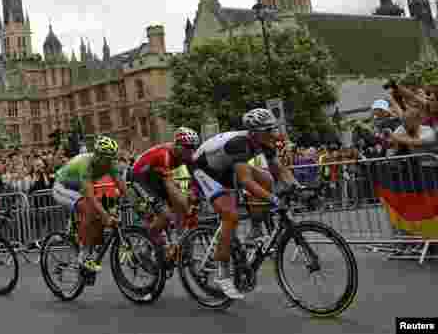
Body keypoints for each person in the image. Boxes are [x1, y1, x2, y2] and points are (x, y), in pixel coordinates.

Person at [189, 108, 298, 301]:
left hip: (225, 166)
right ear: (255, 132)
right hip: (204, 169)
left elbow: (279, 170)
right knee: (230, 216)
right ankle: (223, 274)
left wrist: (297, 186)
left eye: (273, 128)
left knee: (267, 179)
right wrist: (274, 200)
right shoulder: (240, 144)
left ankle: (256, 228)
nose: (273, 133)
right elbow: (246, 181)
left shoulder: (265, 142)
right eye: (268, 130)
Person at [52, 136, 126, 275]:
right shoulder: (85, 163)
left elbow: (121, 185)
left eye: (113, 157)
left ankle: (87, 249)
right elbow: (90, 197)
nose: (111, 161)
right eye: (107, 158)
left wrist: (136, 205)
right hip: (62, 188)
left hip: (78, 188)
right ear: (98, 155)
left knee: (99, 214)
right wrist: (105, 215)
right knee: (89, 207)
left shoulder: (109, 164)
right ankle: (83, 257)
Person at [131, 128, 200, 258]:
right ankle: (149, 240)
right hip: (139, 178)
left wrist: (194, 193)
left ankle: (176, 244)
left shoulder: (187, 155)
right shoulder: (165, 155)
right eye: (188, 147)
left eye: (194, 147)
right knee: (167, 214)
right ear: (177, 145)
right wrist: (185, 204)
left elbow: (196, 178)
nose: (192, 151)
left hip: (157, 177)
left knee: (181, 207)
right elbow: (169, 185)